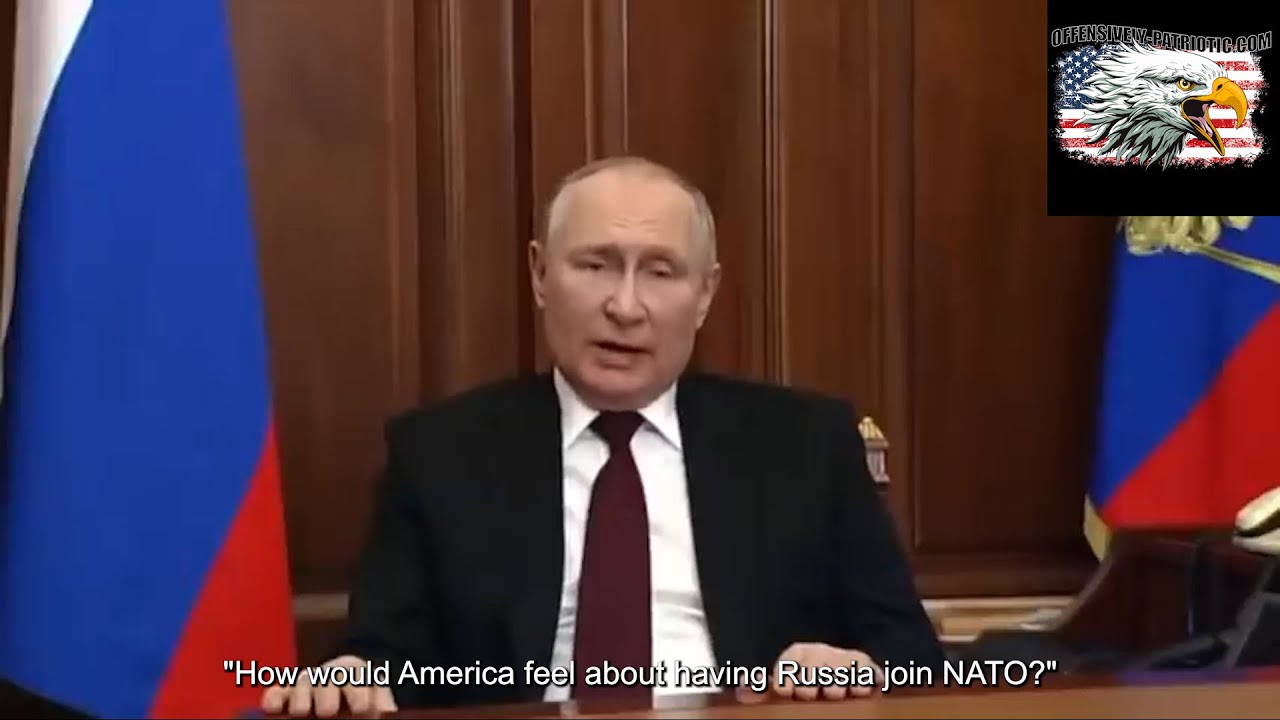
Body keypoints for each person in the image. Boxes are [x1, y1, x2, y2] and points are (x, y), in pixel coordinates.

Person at [261, 156, 944, 717]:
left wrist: (855, 666)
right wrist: (352, 677)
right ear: (540, 275)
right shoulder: (438, 454)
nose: (624, 305)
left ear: (705, 294)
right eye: (595, 265)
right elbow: (382, 661)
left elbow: (914, 657)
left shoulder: (805, 444)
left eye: (660, 271)